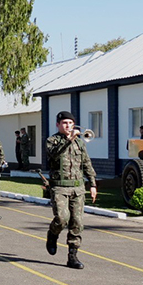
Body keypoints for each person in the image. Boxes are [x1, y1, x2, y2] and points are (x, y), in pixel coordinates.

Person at [45, 111, 97, 270]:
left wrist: (93, 184)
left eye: (70, 123)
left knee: (77, 222)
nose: (68, 126)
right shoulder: (52, 141)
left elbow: (86, 163)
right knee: (62, 218)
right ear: (58, 125)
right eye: (64, 123)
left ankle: (72, 256)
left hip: (78, 187)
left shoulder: (80, 143)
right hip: (60, 186)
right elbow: (54, 155)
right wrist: (69, 139)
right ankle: (52, 235)